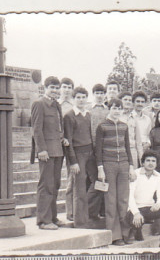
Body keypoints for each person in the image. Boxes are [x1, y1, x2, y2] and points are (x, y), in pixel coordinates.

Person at [95, 98, 136, 246]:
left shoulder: (124, 126)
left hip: (123, 165)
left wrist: (131, 166)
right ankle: (114, 235)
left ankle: (125, 233)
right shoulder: (102, 126)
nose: (117, 110)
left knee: (123, 200)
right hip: (108, 165)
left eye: (119, 108)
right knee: (111, 200)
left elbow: (127, 147)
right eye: (114, 108)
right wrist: (100, 168)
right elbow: (98, 150)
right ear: (109, 109)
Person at [31, 76, 68, 230]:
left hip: (58, 151)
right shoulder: (39, 104)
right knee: (46, 185)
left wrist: (63, 137)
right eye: (51, 87)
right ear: (45, 88)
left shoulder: (56, 105)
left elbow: (59, 126)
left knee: (55, 184)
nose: (54, 90)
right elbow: (37, 129)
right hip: (46, 151)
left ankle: (52, 217)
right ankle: (43, 221)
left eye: (56, 87)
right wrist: (42, 150)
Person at [125, 150, 160, 247]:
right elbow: (129, 196)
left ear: (156, 164)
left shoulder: (158, 176)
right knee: (133, 221)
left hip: (149, 208)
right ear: (142, 162)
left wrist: (158, 204)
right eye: (148, 160)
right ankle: (135, 230)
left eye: (153, 161)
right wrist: (136, 213)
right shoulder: (135, 174)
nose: (150, 163)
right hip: (135, 209)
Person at [63, 87, 96, 228]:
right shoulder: (69, 115)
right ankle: (80, 221)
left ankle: (90, 212)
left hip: (90, 153)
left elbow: (89, 135)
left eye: (83, 97)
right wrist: (73, 161)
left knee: (99, 183)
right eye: (78, 97)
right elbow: (68, 140)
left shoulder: (87, 114)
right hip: (78, 154)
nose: (81, 100)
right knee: (79, 188)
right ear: (73, 98)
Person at [87, 84, 108, 220]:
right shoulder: (89, 110)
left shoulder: (108, 110)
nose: (99, 95)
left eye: (102, 93)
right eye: (97, 93)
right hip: (92, 150)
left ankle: (102, 211)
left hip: (106, 149)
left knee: (104, 181)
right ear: (93, 94)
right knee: (95, 181)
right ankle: (89, 212)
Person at [58, 77, 75, 222]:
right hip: (56, 145)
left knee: (72, 178)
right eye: (65, 87)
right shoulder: (55, 104)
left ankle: (71, 212)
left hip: (71, 145)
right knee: (55, 179)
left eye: (69, 87)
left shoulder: (74, 105)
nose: (67, 90)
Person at [119, 91, 143, 168]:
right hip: (120, 149)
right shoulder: (116, 116)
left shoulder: (134, 118)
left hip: (132, 150)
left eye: (129, 100)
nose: (128, 102)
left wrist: (141, 157)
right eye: (125, 99)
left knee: (133, 175)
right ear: (120, 101)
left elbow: (138, 140)